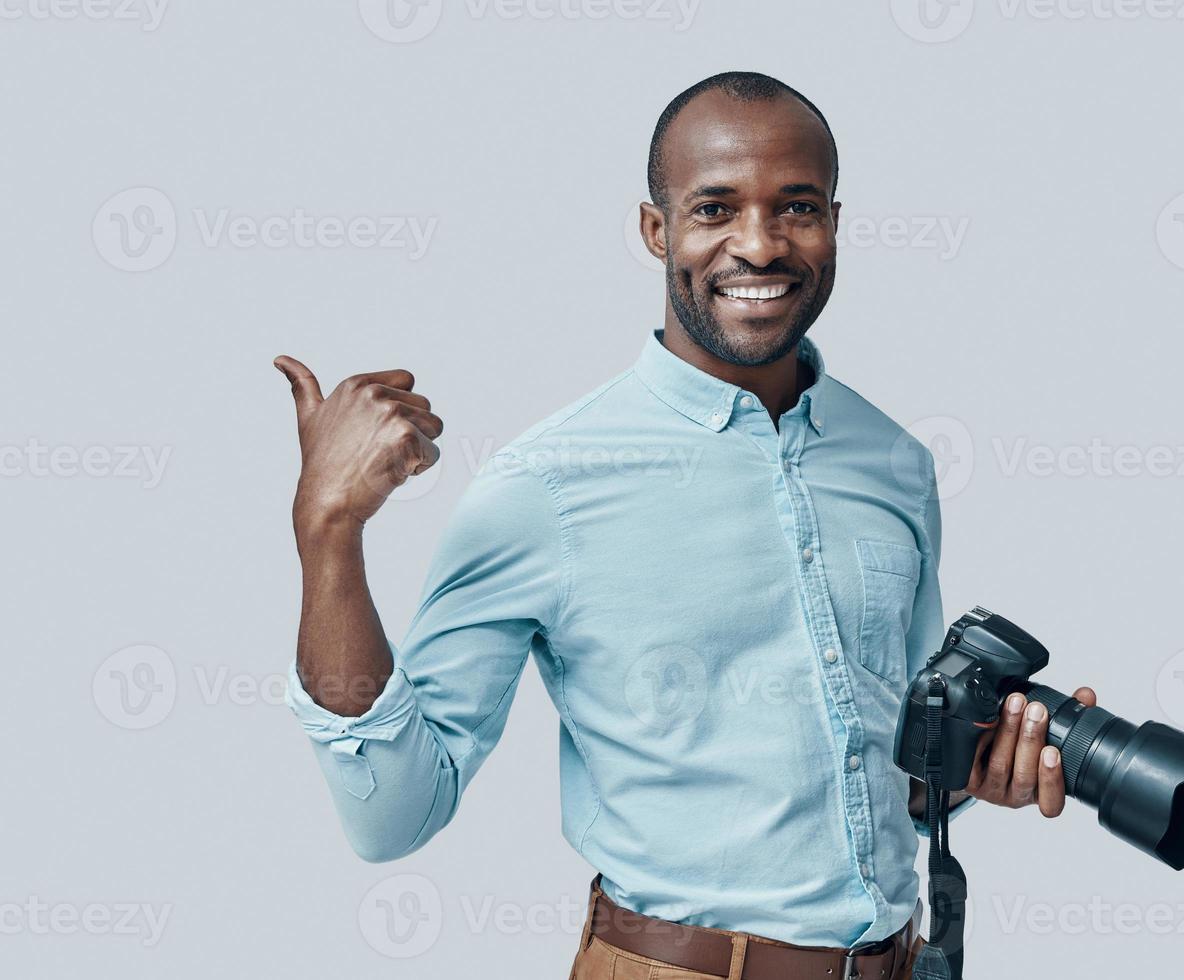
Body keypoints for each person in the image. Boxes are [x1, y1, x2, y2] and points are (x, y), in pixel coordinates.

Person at [275, 70, 1096, 980]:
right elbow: (391, 814)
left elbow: (894, 774)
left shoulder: (894, 461)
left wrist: (968, 774)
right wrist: (329, 534)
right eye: (714, 209)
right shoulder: (545, 485)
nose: (760, 243)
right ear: (655, 230)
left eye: (797, 206)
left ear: (834, 221)